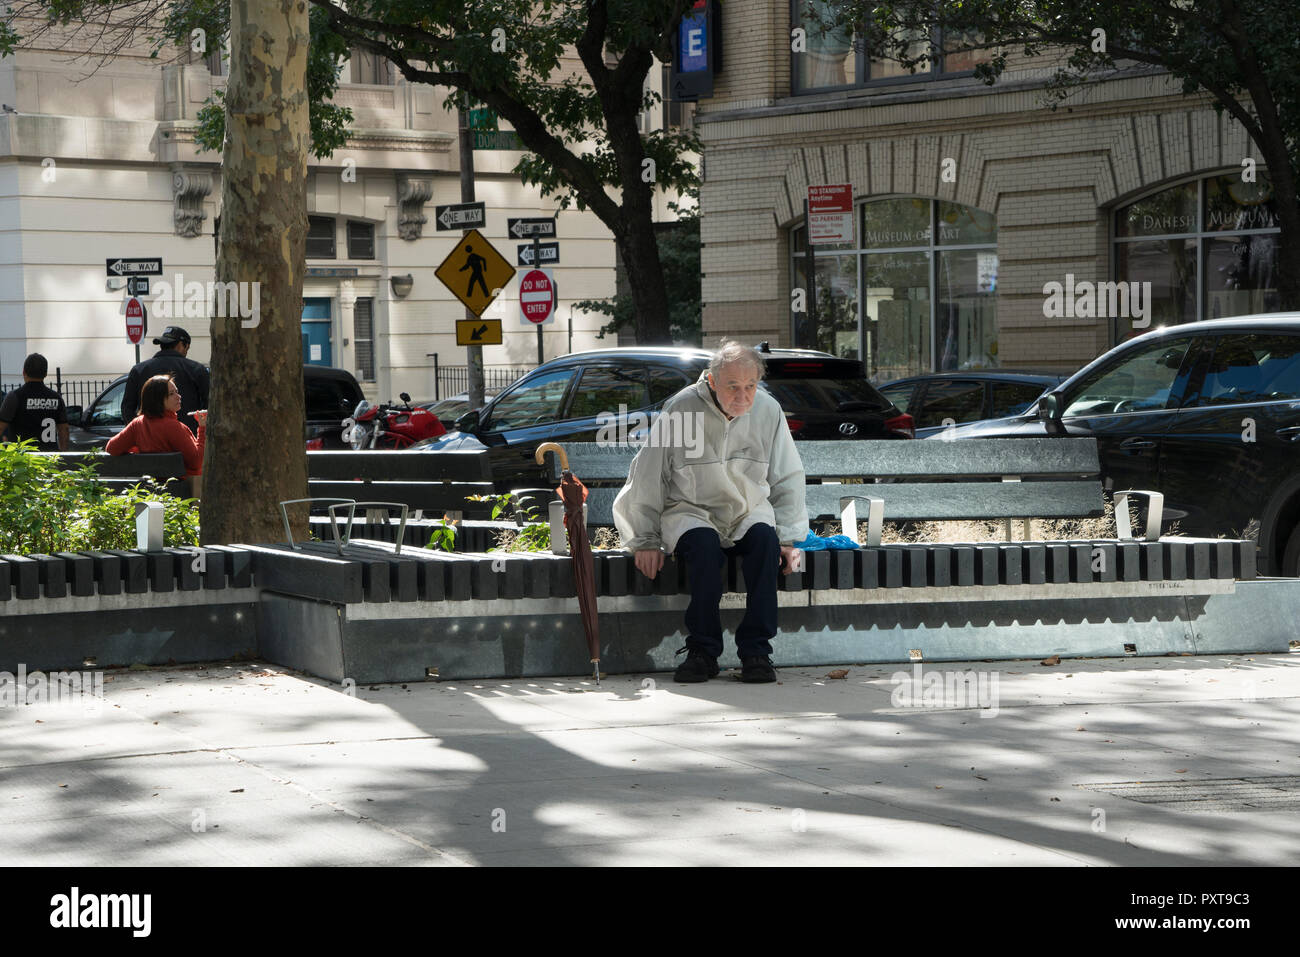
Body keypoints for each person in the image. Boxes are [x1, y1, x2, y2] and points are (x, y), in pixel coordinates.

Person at [613, 341, 808, 684]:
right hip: (691, 510)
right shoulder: (682, 408)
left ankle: (757, 652)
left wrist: (789, 538)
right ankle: (702, 651)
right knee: (703, 549)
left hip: (747, 511)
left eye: (750, 386)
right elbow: (648, 474)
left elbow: (787, 475)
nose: (743, 396)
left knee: (765, 543)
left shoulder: (768, 410)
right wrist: (644, 538)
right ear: (713, 381)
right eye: (733, 386)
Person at [107, 374, 208, 476]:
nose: (178, 397)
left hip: (147, 487)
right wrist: (203, 428)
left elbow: (111, 448)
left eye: (177, 392)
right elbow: (196, 462)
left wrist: (138, 449)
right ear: (157, 399)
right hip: (182, 488)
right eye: (172, 394)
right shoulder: (173, 426)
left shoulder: (137, 424)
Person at [121, 325, 210, 434]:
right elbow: (209, 406)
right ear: (182, 345)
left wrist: (139, 434)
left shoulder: (138, 370)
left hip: (149, 443)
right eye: (187, 349)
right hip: (188, 440)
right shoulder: (197, 370)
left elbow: (127, 408)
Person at [0, 353, 69, 450]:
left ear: (24, 372)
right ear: (45, 374)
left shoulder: (15, 397)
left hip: (22, 458)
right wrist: (63, 455)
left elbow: (1, 427)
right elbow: (64, 430)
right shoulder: (56, 398)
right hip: (49, 457)